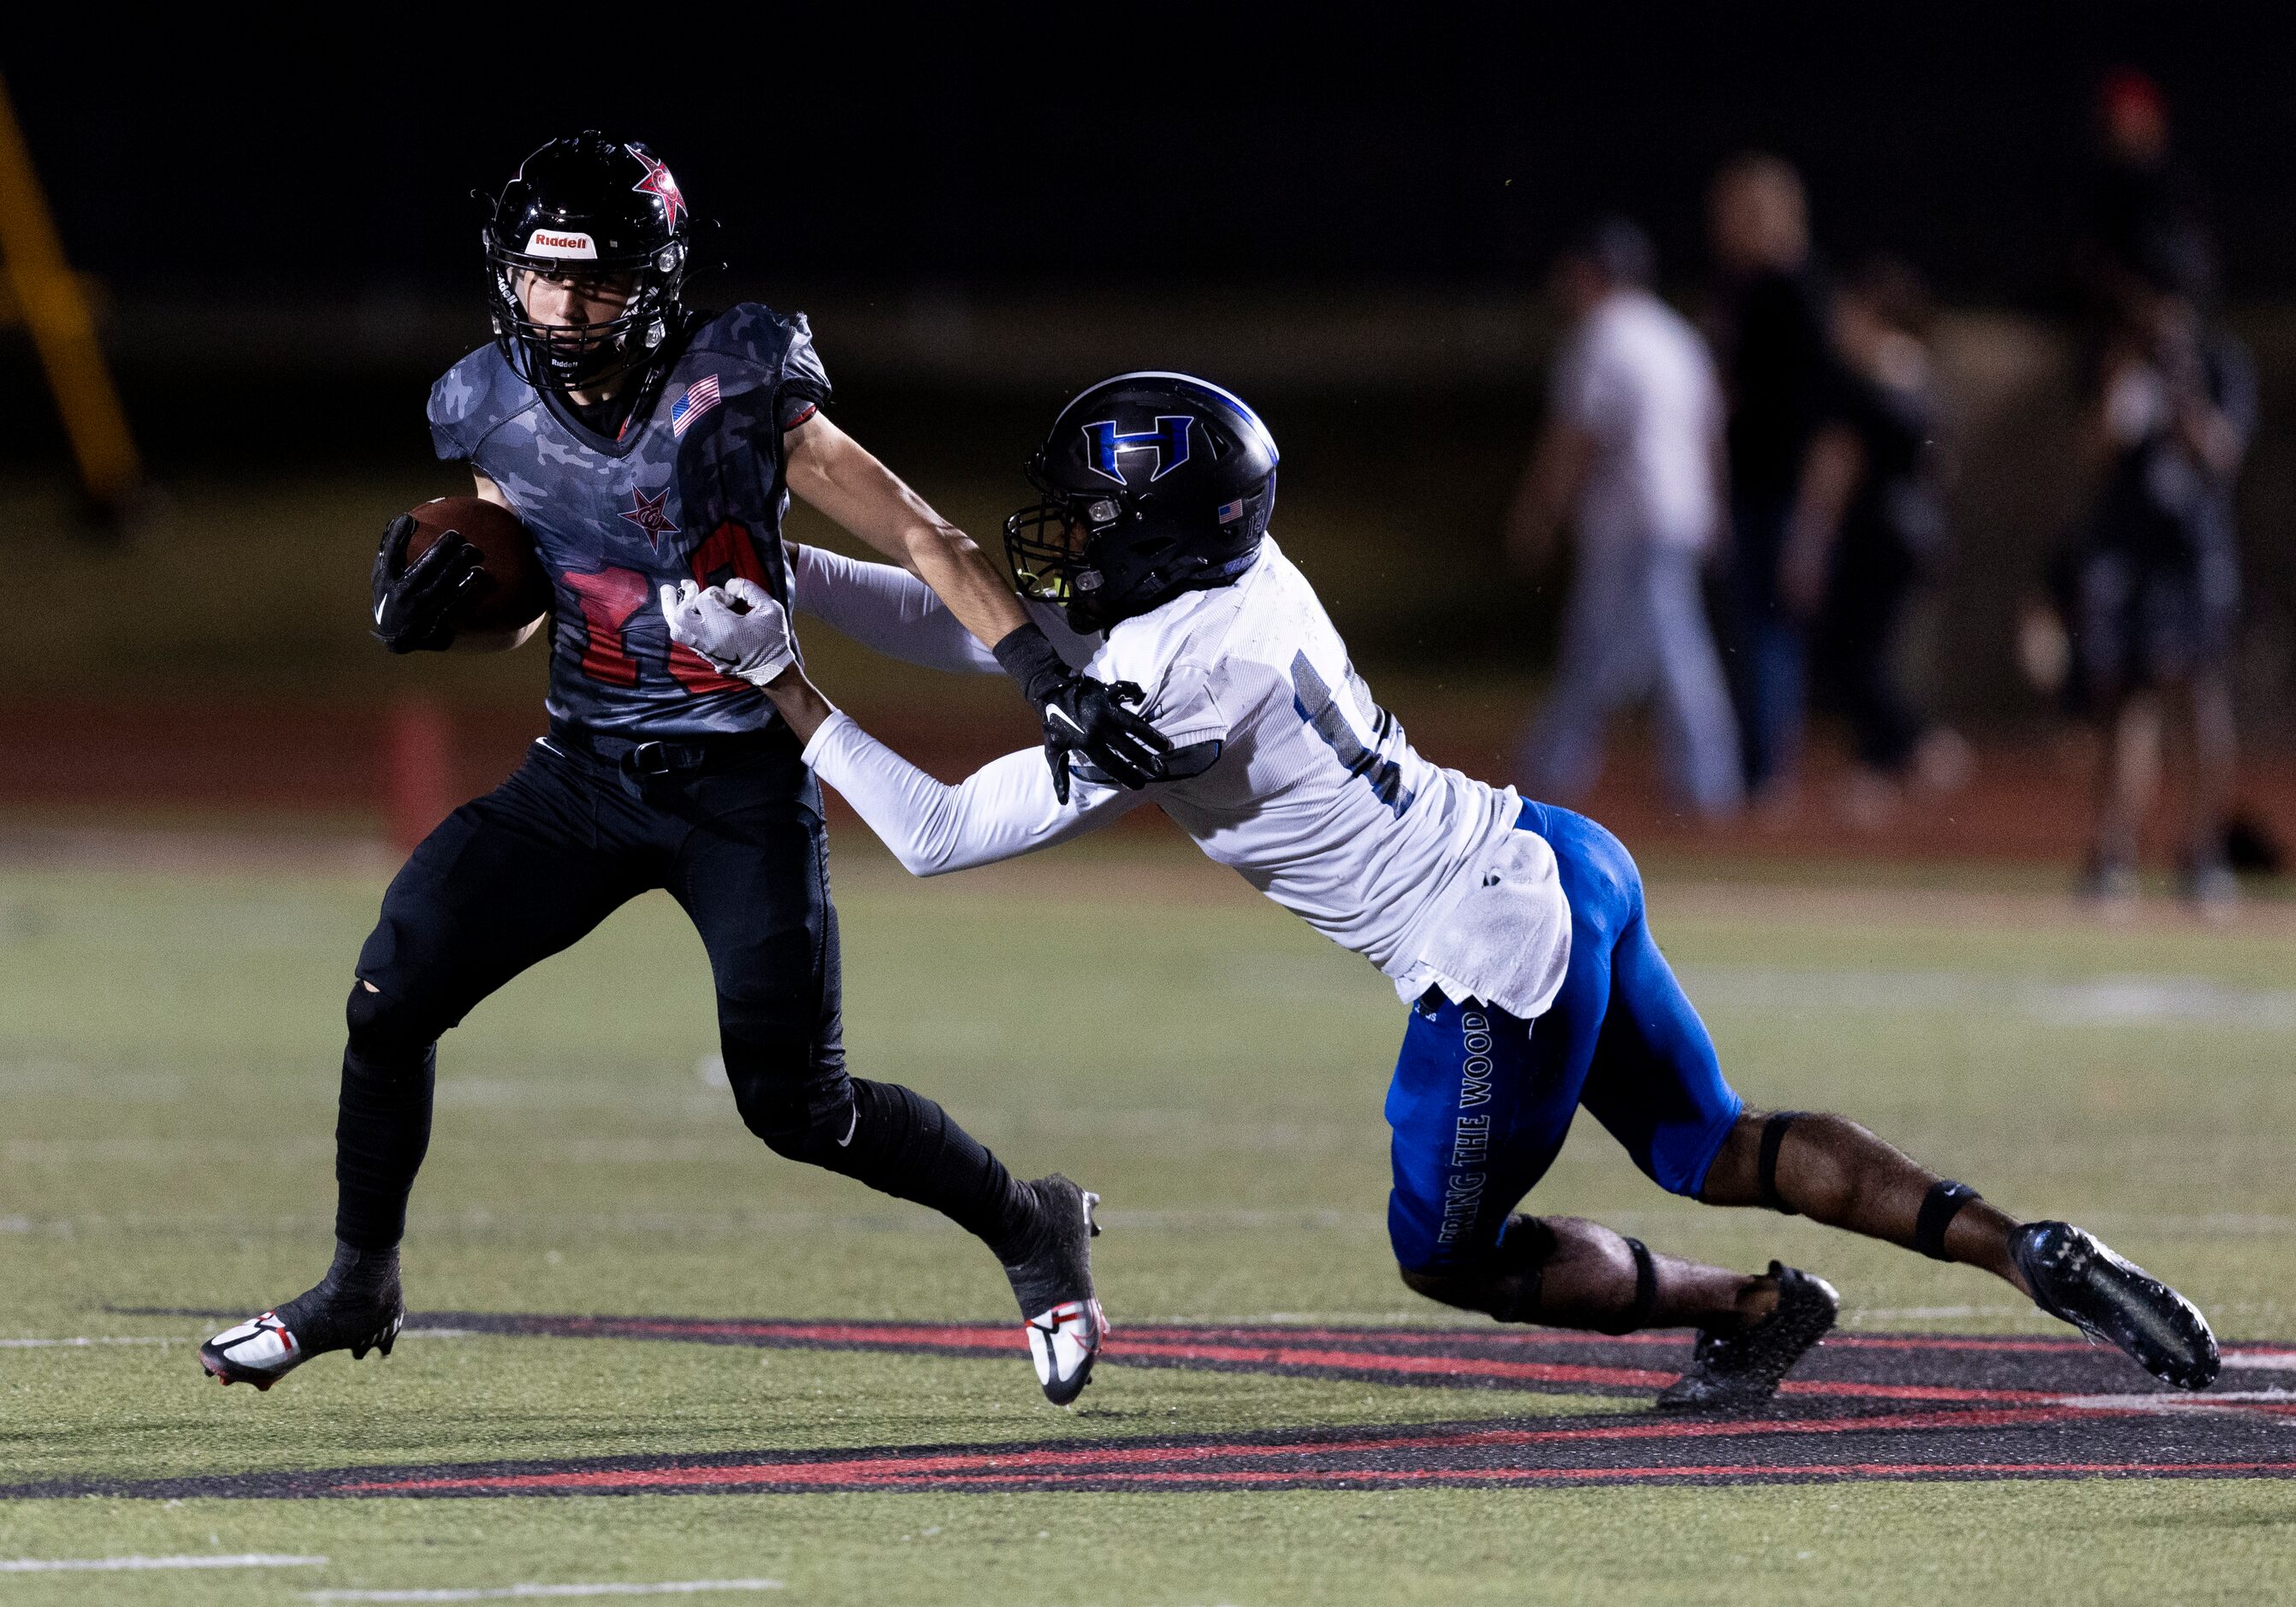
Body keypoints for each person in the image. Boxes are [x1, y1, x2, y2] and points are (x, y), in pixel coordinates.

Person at [667, 371, 2221, 1408]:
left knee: (1446, 1251)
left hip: (1488, 952)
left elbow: (934, 831)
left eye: (1088, 516)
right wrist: (785, 570)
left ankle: (1745, 1311)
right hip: (1554, 858)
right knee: (1712, 1138)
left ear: (1154, 533)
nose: (1060, 540)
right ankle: (2023, 1247)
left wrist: (779, 686)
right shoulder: (1230, 589)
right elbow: (986, 628)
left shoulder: (1180, 666)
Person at [197, 133, 1172, 1408]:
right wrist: (434, 613)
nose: (563, 309)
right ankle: (358, 1280)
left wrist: (1045, 678)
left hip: (740, 779)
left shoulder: (741, 380)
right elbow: (533, 602)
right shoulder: (487, 400)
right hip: (585, 770)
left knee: (797, 1106)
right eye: (543, 280)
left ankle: (1028, 1220)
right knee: (391, 995)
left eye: (593, 282)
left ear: (650, 281)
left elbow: (926, 537)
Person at [1507, 219, 1741, 819]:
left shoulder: (1602, 335)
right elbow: (1710, 430)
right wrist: (1714, 505)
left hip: (1632, 519)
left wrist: (1541, 510)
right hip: (1677, 510)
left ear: (1594, 273)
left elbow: (1577, 435)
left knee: (1665, 646)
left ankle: (1707, 780)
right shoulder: (1674, 335)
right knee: (1611, 646)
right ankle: (1558, 764)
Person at [2068, 283, 2252, 909]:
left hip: (2192, 555)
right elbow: (2092, 453)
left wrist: (2185, 398)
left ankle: (2202, 852)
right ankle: (2112, 851)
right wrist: (2125, 389)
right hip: (2126, 553)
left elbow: (2223, 454)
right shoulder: (2118, 361)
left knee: (2196, 696)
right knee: (2122, 700)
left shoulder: (2218, 362)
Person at [1795, 256, 1970, 821]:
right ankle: (1888, 763)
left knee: (1852, 654)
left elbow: (1835, 464)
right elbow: (1941, 467)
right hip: (1917, 533)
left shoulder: (1860, 376)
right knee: (1871, 651)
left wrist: (1809, 539)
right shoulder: (1919, 372)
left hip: (1873, 532)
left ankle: (1908, 749)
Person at [1706, 155, 1852, 807]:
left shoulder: (1796, 291)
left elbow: (1829, 416)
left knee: (1769, 627)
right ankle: (1756, 769)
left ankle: (1766, 776)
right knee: (1756, 628)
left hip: (1783, 491)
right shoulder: (1752, 290)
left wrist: (1815, 516)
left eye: (1740, 210)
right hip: (1758, 488)